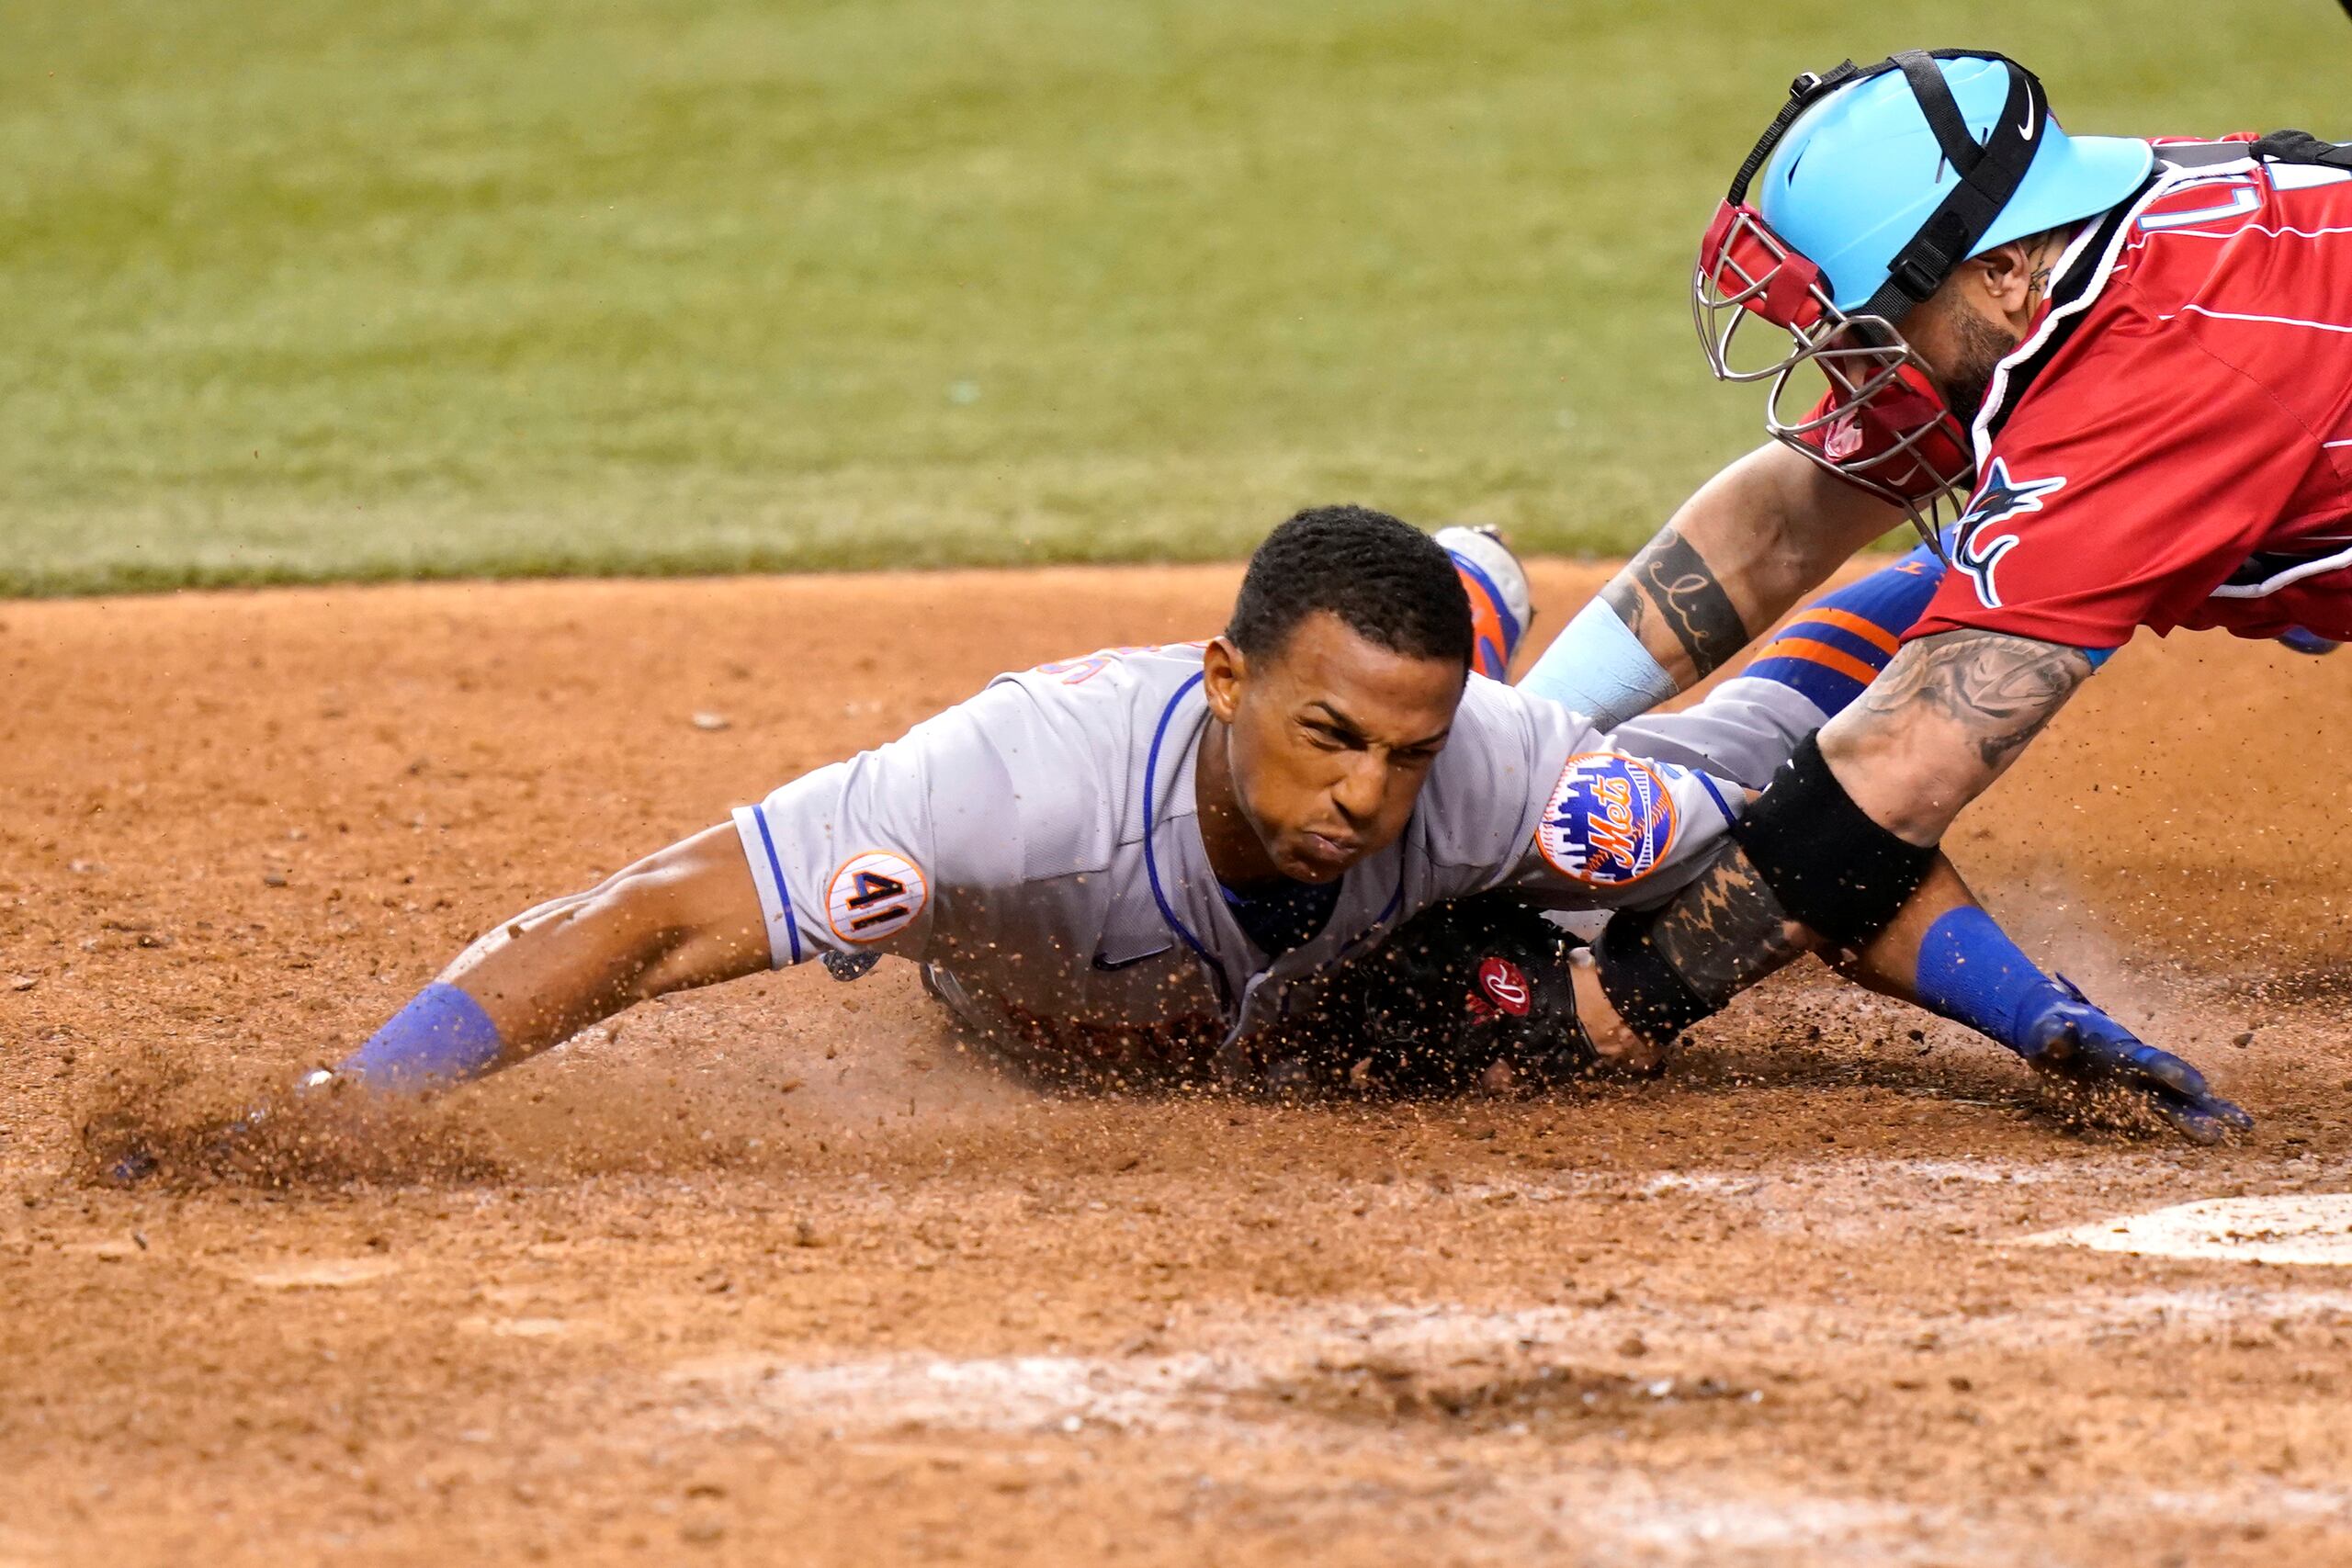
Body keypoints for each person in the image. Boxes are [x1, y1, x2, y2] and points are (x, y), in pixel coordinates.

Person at [198, 505, 2222, 1138]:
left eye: (1400, 752)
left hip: (1429, 881)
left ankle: (1959, 545)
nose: (1362, 796)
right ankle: (1469, 578)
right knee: (1500, 812)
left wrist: (2033, 1015)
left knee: (1734, 771)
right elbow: (643, 918)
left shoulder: (1475, 776)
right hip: (1116, 978)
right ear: (1225, 676)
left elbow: (1821, 873)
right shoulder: (1005, 787)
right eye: (1327, 734)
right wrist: (349, 1102)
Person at [1515, 50, 2336, 1132]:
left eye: (1866, 330)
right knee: (1965, 581)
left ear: (1997, 271)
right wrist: (1521, 741)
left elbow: (1896, 778)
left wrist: (1619, 1003)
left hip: (2219, 389)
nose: (1845, 367)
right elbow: (1781, 523)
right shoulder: (2069, 252)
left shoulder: (2154, 370)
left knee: (1924, 712)